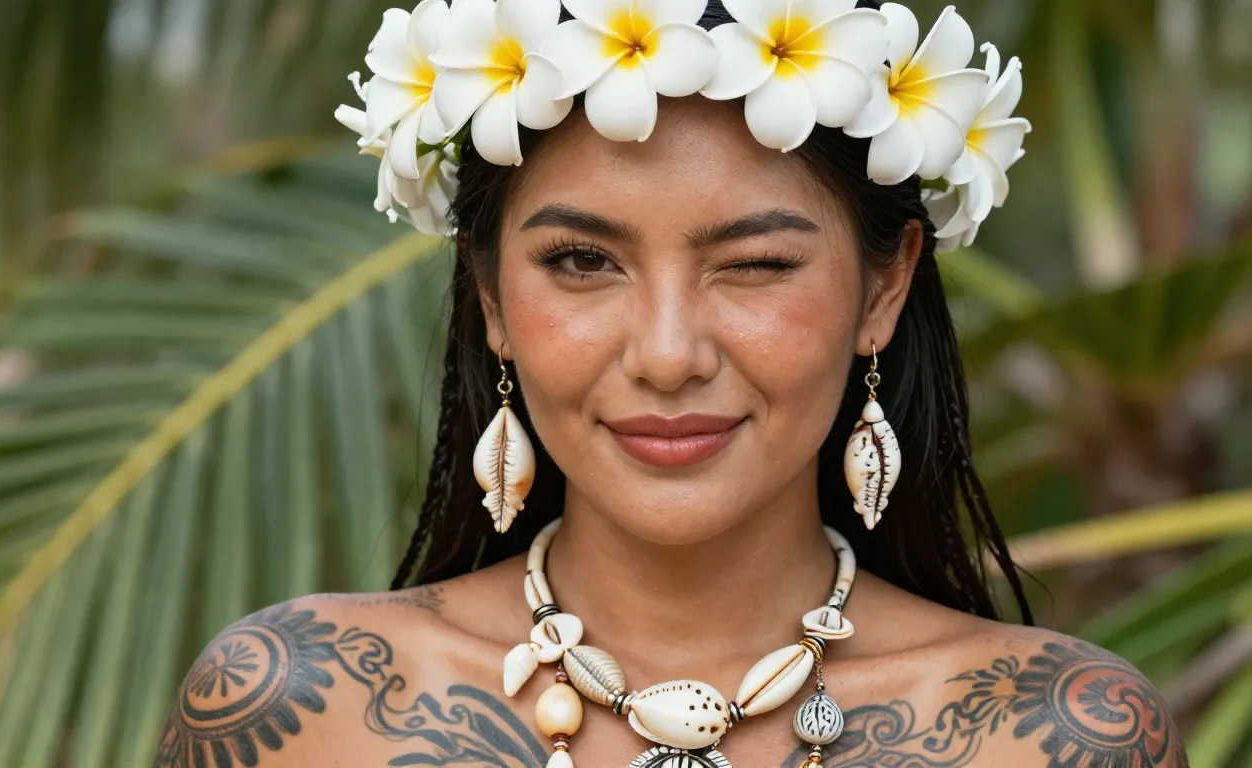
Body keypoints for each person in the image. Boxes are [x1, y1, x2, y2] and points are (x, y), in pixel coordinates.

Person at [155, 1, 1189, 766]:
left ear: (885, 288)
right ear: (491, 299)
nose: (666, 353)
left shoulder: (1056, 736)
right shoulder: (298, 708)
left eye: (756, 265)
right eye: (582, 262)